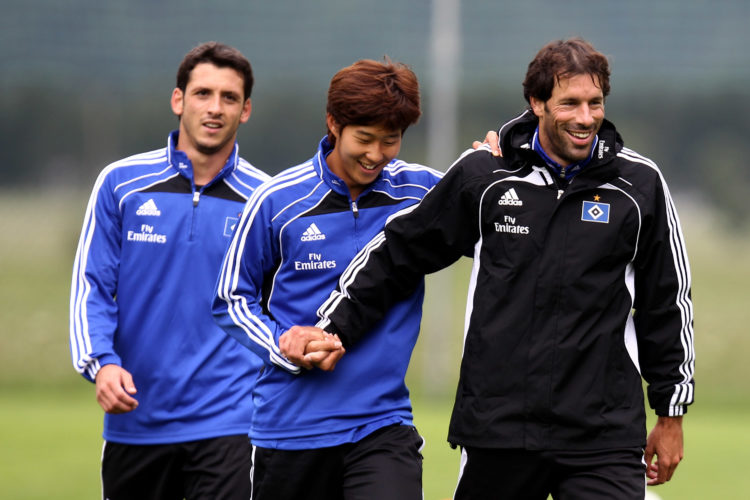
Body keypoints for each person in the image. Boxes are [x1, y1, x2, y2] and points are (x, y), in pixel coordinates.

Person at [314, 38, 695, 499]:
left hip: (602, 434)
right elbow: (399, 253)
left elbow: (666, 302)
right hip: (498, 430)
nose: (585, 117)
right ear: (536, 103)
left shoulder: (639, 184)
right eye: (569, 103)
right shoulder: (486, 176)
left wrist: (670, 412)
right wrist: (333, 329)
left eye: (595, 103)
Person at [211, 58, 443, 499]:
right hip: (289, 431)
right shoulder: (276, 201)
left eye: (390, 140)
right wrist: (282, 343)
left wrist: (497, 162)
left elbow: (493, 209)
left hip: (382, 425)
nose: (377, 155)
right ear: (334, 123)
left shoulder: (421, 194)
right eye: (365, 139)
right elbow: (230, 299)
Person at [69, 42, 270, 500]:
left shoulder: (266, 198)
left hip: (234, 422)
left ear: (246, 110)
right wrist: (101, 363)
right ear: (178, 100)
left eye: (229, 97)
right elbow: (91, 287)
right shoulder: (121, 184)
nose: (214, 108)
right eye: (202, 94)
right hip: (136, 420)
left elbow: (279, 306)